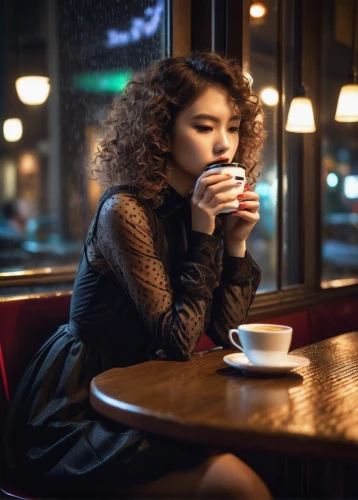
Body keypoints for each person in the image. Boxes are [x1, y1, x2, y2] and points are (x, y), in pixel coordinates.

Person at [3, 51, 270, 499]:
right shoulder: (123, 209)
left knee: (252, 453)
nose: (225, 145)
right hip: (79, 407)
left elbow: (226, 331)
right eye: (204, 127)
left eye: (234, 126)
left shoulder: (200, 209)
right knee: (236, 483)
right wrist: (206, 230)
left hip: (152, 391)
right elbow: (179, 340)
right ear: (161, 132)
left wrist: (235, 242)